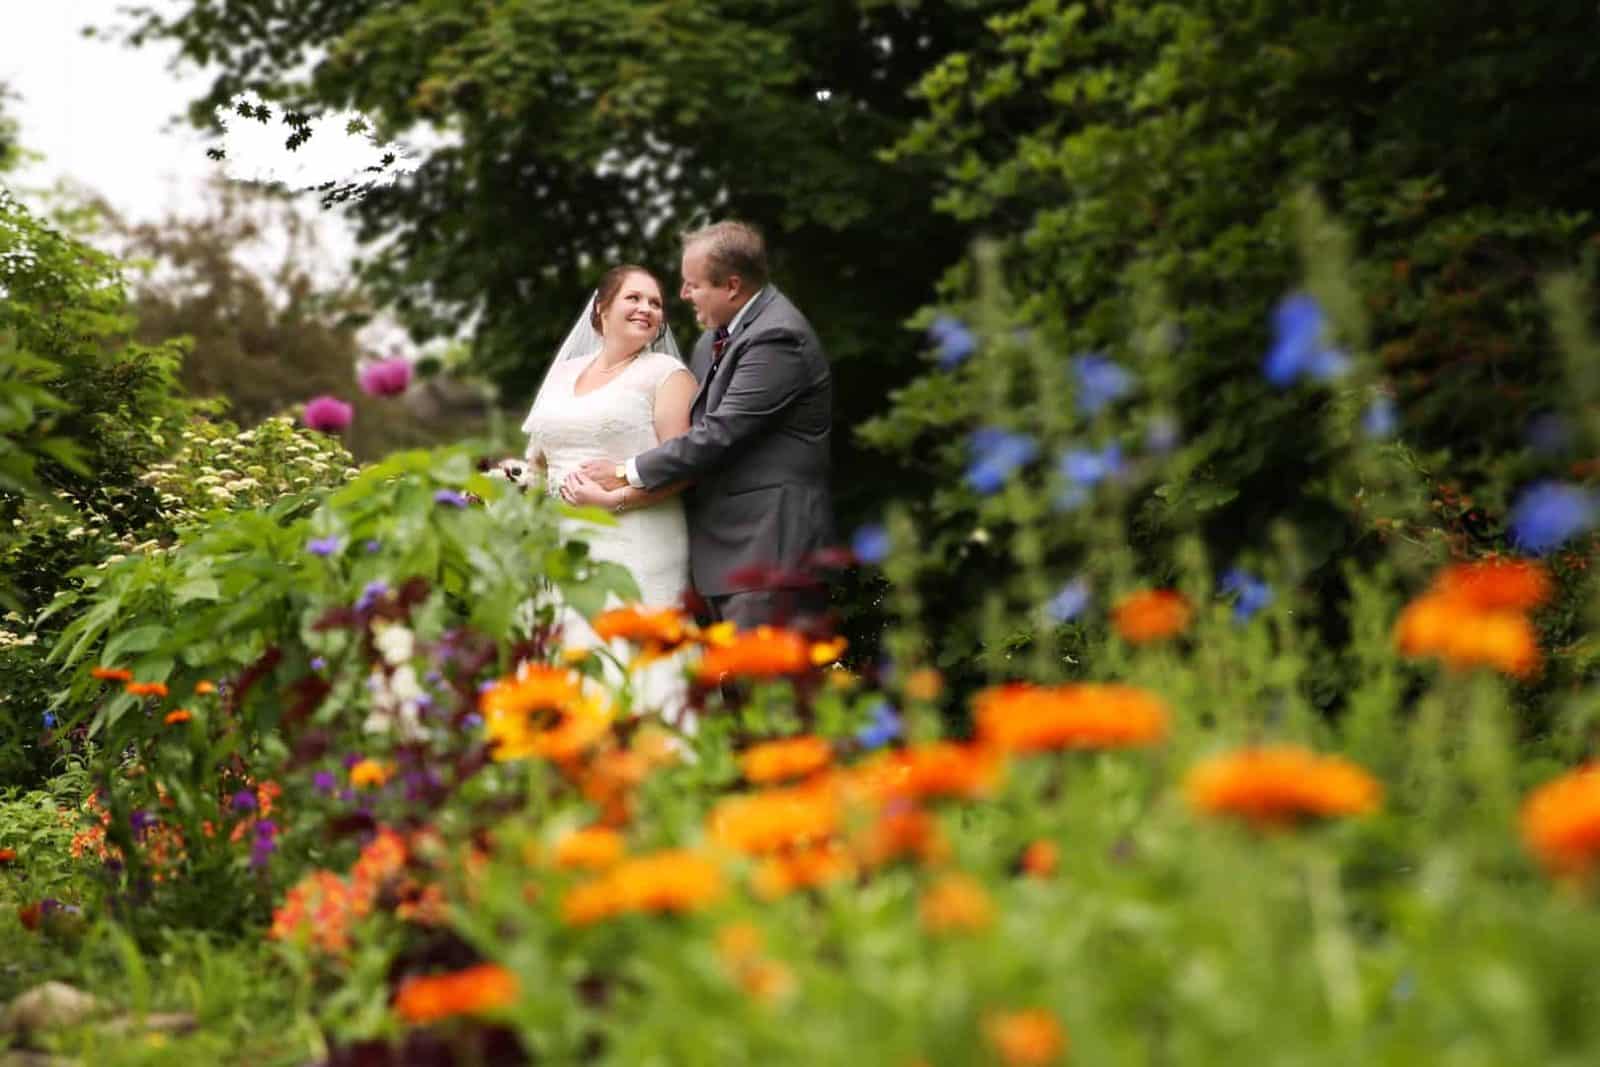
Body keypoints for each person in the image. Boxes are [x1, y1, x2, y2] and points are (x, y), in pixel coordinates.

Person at [564, 220, 834, 631]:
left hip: (769, 550)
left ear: (731, 285)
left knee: (766, 690)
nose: (684, 294)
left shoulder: (778, 337)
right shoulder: (712, 341)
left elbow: (717, 435)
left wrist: (623, 472)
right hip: (718, 550)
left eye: (693, 284)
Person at [521, 264, 698, 719]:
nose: (647, 309)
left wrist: (614, 495)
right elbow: (538, 458)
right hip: (564, 540)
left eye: (656, 303)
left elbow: (684, 466)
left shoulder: (667, 374)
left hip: (638, 533)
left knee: (631, 652)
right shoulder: (565, 372)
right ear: (601, 310)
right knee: (569, 644)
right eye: (634, 298)